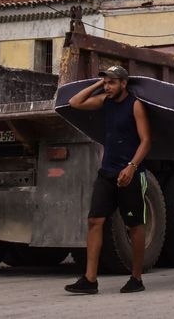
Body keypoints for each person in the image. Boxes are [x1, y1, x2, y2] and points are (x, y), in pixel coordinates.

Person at [65, 66, 152, 294]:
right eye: (106, 83)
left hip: (131, 174)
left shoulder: (135, 105)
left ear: (124, 83)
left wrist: (132, 167)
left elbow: (146, 141)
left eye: (112, 82)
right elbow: (75, 102)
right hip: (107, 173)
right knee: (95, 220)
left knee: (134, 225)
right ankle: (90, 280)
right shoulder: (105, 101)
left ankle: (136, 278)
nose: (108, 87)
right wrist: (97, 83)